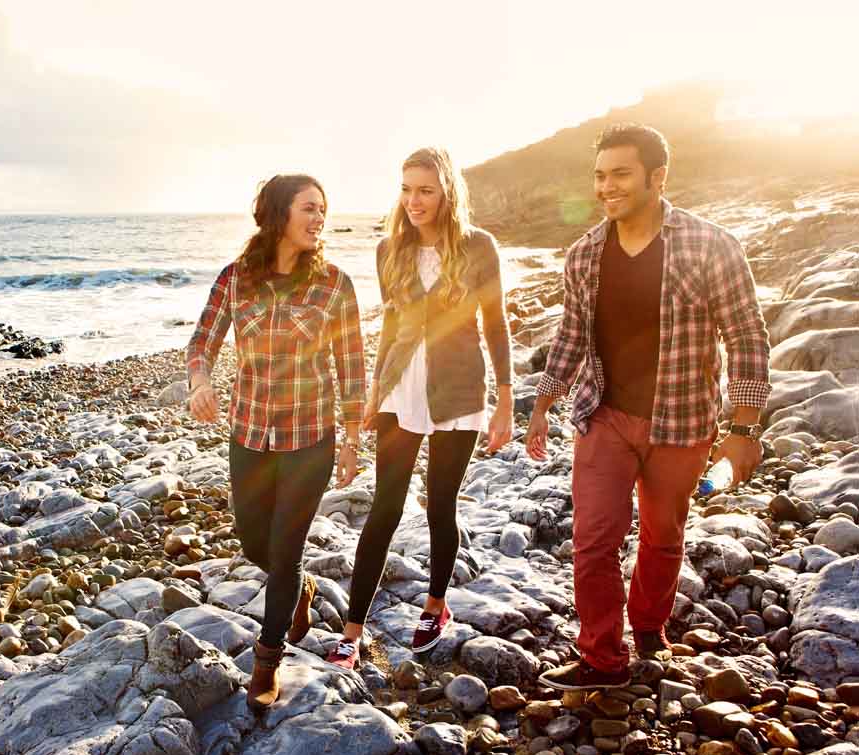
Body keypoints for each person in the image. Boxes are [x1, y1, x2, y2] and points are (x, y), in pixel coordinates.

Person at [525, 124, 771, 691]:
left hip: (681, 420)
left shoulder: (710, 245)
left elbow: (747, 337)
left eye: (620, 175)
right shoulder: (586, 253)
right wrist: (543, 401)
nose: (606, 187)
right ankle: (601, 659)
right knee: (593, 541)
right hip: (603, 416)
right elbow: (570, 335)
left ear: (658, 177)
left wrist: (744, 428)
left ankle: (650, 628)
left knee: (663, 535)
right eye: (600, 176)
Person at [326, 147, 514, 669]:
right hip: (400, 388)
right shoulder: (390, 248)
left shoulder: (479, 247)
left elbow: (495, 325)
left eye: (425, 190)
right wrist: (372, 391)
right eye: (406, 188)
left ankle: (436, 605)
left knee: (439, 505)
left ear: (447, 191)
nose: (413, 200)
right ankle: (353, 630)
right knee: (384, 507)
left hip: (458, 390)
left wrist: (506, 398)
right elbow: (390, 322)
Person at [186, 174, 365, 710]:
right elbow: (203, 341)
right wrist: (200, 381)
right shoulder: (236, 279)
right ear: (278, 214)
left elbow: (352, 367)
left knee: (285, 552)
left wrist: (353, 437)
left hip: (310, 437)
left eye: (323, 210)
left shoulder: (335, 284)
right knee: (252, 543)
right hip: (249, 433)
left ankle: (268, 660)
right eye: (309, 208)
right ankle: (302, 591)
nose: (319, 219)